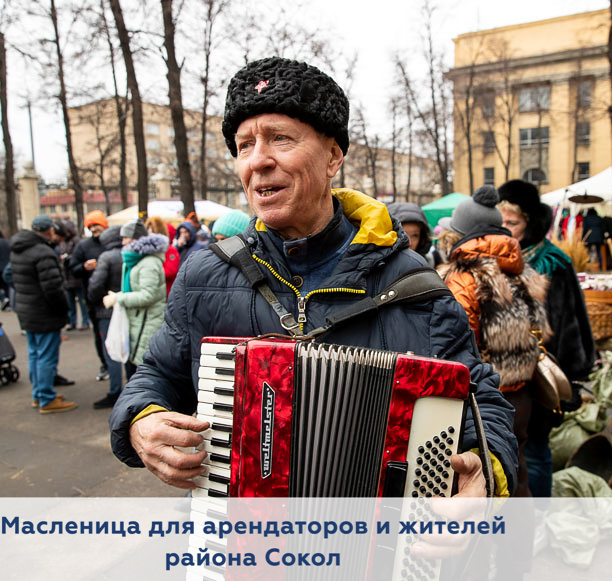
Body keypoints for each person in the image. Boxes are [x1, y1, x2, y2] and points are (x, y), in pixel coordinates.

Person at [109, 57, 518, 504]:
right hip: (238, 547)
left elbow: (482, 402)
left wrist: (488, 471)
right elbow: (158, 374)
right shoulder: (206, 273)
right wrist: (140, 420)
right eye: (245, 145)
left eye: (280, 138)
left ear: (333, 156)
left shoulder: (414, 283)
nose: (258, 161)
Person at [438, 186, 550, 498]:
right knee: (517, 475)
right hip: (523, 392)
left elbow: (455, 346)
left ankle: (491, 544)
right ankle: (520, 545)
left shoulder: (462, 277)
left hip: (484, 402)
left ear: (461, 234)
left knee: (481, 483)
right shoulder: (521, 269)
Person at [498, 179, 595, 497]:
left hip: (539, 373)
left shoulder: (553, 262)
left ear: (531, 223)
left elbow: (571, 322)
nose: (505, 227)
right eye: (502, 220)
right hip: (500, 375)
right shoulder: (495, 257)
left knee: (536, 453)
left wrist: (573, 374)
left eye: (513, 222)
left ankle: (536, 521)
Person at [9, 215, 77, 414]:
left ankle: (39, 394)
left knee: (35, 353)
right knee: (46, 355)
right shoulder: (43, 252)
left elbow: (9, 276)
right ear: (50, 231)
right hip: (44, 312)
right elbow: (53, 289)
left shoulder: (18, 249)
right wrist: (64, 309)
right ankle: (46, 398)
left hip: (27, 310)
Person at [102, 220, 167, 380]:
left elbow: (148, 295)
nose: (123, 242)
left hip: (147, 323)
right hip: (137, 321)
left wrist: (118, 298)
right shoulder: (135, 259)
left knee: (142, 372)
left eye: (126, 238)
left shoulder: (149, 262)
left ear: (136, 239)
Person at [88, 225, 127, 409]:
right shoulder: (129, 253)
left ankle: (115, 391)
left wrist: (95, 298)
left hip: (107, 309)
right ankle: (130, 390)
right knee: (127, 350)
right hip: (125, 308)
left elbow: (95, 285)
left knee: (111, 351)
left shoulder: (106, 257)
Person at [70, 210, 109, 381]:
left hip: (114, 297)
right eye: (90, 226)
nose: (93, 228)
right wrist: (84, 268)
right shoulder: (83, 246)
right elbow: (73, 268)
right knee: (99, 334)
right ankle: (105, 364)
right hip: (93, 298)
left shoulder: (112, 243)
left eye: (96, 225)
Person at [388, 201, 442, 267]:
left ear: (422, 238)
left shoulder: (429, 262)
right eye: (402, 235)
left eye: (415, 235)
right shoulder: (377, 265)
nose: (409, 242)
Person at [58, 219, 89, 331]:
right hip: (66, 277)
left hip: (76, 277)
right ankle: (72, 321)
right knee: (70, 302)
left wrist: (68, 258)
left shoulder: (77, 241)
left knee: (82, 301)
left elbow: (79, 257)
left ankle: (85, 321)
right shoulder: (62, 242)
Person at [144, 217, 180, 295]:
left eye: (152, 231)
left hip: (166, 294)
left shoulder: (170, 250)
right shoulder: (145, 250)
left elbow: (171, 271)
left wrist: (149, 271)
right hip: (150, 292)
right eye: (148, 230)